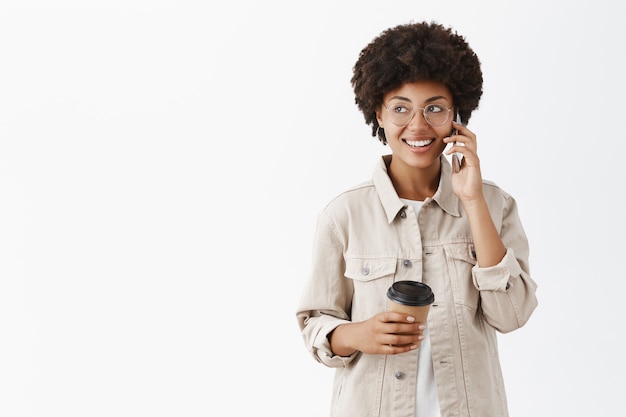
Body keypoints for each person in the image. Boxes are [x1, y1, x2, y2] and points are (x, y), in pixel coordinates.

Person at [295, 21, 538, 417]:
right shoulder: (344, 215)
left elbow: (510, 315)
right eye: (401, 108)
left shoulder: (495, 204)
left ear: (457, 113)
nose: (419, 125)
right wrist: (359, 333)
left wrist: (472, 201)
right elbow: (315, 325)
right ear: (378, 112)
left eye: (435, 108)